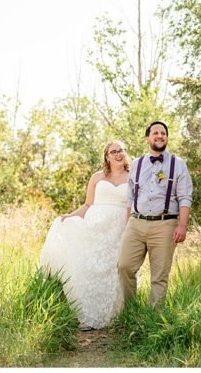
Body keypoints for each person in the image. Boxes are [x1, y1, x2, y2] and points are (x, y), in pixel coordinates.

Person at [39, 140, 132, 330]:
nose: (118, 154)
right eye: (113, 151)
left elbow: (132, 207)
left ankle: (114, 315)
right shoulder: (97, 177)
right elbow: (88, 205)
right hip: (94, 226)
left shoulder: (132, 177)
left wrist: (129, 229)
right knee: (91, 268)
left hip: (117, 229)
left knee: (112, 269)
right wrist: (70, 216)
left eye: (121, 150)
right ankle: (87, 315)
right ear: (107, 156)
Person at [117, 121, 193, 307]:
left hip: (165, 225)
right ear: (148, 138)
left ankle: (153, 320)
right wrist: (129, 223)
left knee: (159, 276)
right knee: (124, 266)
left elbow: (185, 197)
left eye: (163, 133)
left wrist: (182, 225)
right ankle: (131, 310)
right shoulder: (136, 163)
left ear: (166, 137)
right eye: (156, 133)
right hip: (136, 223)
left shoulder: (178, 164)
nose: (160, 136)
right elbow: (131, 196)